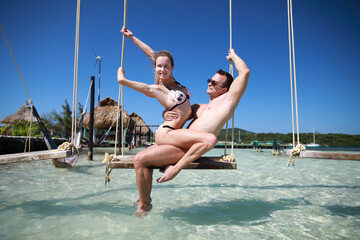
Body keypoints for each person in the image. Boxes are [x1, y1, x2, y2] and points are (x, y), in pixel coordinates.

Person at [120, 27, 249, 216]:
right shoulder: (198, 107)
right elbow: (177, 112)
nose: (209, 83)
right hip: (178, 143)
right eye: (209, 80)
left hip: (191, 149)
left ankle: (150, 196)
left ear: (225, 89)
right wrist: (166, 113)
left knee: (142, 158)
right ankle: (145, 202)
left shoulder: (228, 100)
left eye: (214, 83)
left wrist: (233, 55)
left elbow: (244, 72)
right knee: (141, 161)